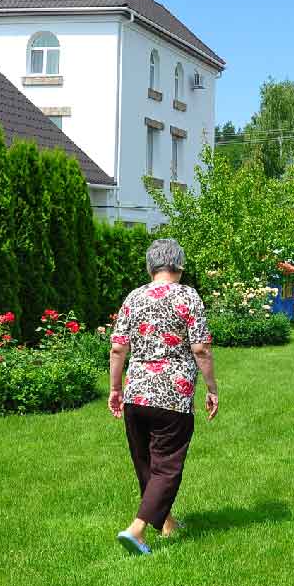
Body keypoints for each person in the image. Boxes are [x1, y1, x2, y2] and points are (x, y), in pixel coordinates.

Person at [108, 238, 219, 556]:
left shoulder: (134, 297)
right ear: (179, 266)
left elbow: (118, 348)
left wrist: (115, 389)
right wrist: (211, 389)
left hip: (136, 395)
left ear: (150, 265)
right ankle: (137, 530)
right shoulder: (188, 296)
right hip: (173, 397)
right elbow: (200, 348)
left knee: (146, 462)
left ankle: (166, 522)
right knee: (167, 465)